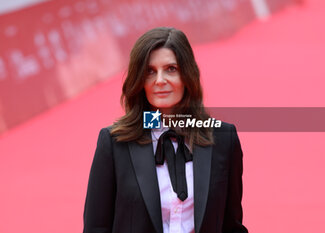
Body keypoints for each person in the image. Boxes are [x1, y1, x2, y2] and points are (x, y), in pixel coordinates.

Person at [83, 27, 248, 233]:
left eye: (171, 69)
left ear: (187, 74)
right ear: (139, 81)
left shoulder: (223, 139)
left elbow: (231, 225)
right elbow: (96, 227)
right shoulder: (115, 142)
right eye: (150, 71)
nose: (160, 80)